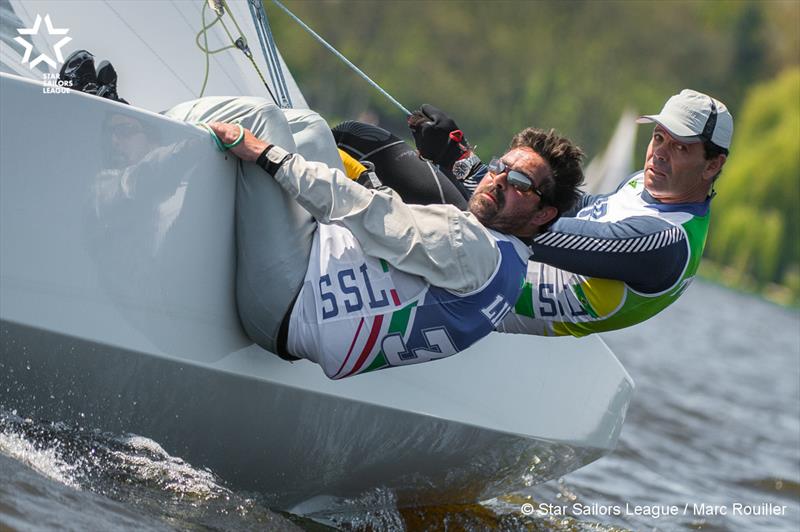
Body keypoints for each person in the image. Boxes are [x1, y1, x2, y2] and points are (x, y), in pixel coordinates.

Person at [179, 98, 584, 379]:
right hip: (300, 306)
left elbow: (363, 211)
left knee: (263, 119)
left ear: (544, 213)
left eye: (519, 183)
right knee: (310, 128)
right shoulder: (512, 275)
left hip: (283, 298)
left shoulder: (471, 243)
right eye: (499, 167)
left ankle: (137, 122)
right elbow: (400, 250)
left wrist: (266, 154)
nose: (496, 181)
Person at [336, 89, 732, 337]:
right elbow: (572, 207)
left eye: (681, 147)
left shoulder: (664, 242)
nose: (659, 152)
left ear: (712, 165)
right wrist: (465, 162)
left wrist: (458, 159)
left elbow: (529, 222)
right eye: (658, 137)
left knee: (367, 145)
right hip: (482, 258)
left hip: (481, 288)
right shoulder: (642, 186)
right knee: (358, 134)